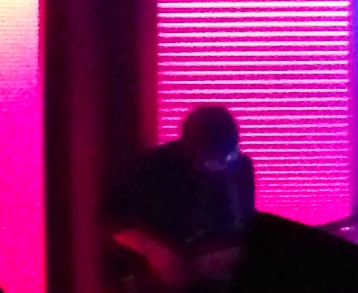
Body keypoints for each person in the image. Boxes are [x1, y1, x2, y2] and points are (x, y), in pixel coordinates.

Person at [109, 105, 256, 283]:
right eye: (212, 158)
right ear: (191, 151)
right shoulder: (156, 167)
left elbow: (246, 222)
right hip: (174, 273)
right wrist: (151, 250)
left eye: (228, 156)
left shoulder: (240, 166)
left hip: (229, 272)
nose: (222, 163)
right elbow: (112, 219)